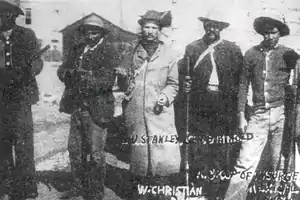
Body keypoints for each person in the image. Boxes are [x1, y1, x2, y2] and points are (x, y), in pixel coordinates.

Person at [223, 14, 300, 200]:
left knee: (278, 163)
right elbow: (242, 86)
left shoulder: (289, 55)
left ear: (279, 33)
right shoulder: (251, 54)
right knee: (245, 162)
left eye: (273, 33)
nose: (270, 37)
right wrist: (241, 115)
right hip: (258, 116)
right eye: (266, 33)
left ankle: (275, 197)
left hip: (281, 115)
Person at [176, 9, 243, 199]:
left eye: (216, 25)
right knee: (199, 150)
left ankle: (215, 192)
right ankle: (198, 189)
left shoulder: (232, 49)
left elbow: (240, 81)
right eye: (209, 25)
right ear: (204, 25)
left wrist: (238, 112)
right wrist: (185, 84)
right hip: (199, 106)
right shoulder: (193, 47)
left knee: (220, 152)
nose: (211, 29)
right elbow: (183, 73)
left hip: (223, 108)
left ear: (221, 28)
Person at [116, 10, 182, 200]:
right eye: (147, 27)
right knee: (140, 157)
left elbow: (173, 84)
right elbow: (123, 85)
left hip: (160, 113)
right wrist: (122, 77)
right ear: (142, 28)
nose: (150, 31)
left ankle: (162, 194)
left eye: (154, 27)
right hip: (136, 112)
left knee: (162, 158)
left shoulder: (169, 54)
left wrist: (165, 97)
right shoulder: (130, 52)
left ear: (159, 30)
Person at [57, 17, 120, 200]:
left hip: (97, 109)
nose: (90, 36)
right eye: (87, 32)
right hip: (76, 107)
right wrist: (70, 73)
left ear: (101, 33)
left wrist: (84, 78)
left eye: (95, 32)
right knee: (75, 150)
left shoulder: (109, 51)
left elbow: (106, 81)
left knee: (95, 153)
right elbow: (62, 70)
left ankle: (95, 192)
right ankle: (78, 187)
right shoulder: (77, 49)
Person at [0, 0, 44, 199]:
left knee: (24, 144)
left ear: (13, 15)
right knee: (2, 144)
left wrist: (28, 71)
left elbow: (37, 62)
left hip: (21, 98)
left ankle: (26, 189)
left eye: (5, 13)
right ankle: (5, 186)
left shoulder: (27, 35)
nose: (1, 17)